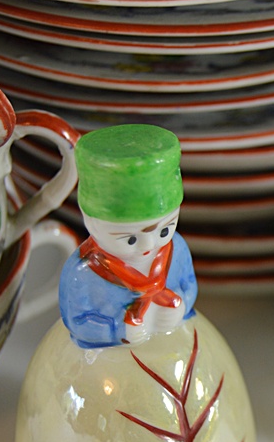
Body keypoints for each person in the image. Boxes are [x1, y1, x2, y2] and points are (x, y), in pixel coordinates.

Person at [59, 124, 197, 349]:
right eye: (130, 239)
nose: (149, 244)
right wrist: (119, 329)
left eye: (164, 230)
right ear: (91, 222)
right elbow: (77, 321)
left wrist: (180, 304)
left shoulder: (176, 249)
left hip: (172, 347)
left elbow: (188, 284)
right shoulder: (84, 272)